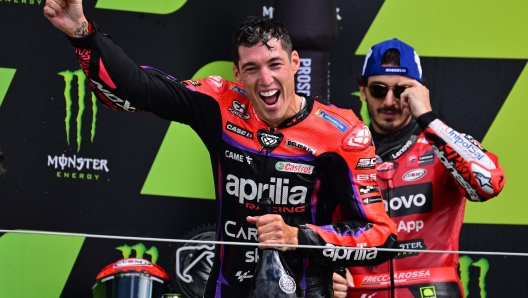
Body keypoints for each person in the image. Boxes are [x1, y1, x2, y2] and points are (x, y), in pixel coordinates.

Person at [44, 1, 400, 297]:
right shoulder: (219, 103)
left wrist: (300, 237)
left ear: (295, 64)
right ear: (237, 74)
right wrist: (82, 32)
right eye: (252, 68)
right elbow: (137, 88)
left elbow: (382, 239)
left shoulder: (342, 132)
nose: (265, 80)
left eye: (275, 64)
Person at [332, 39, 505, 298]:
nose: (390, 101)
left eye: (402, 91)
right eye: (379, 90)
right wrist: (330, 273)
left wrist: (427, 116)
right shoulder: (342, 154)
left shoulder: (444, 147)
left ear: (420, 92)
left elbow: (489, 184)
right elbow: (325, 229)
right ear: (363, 91)